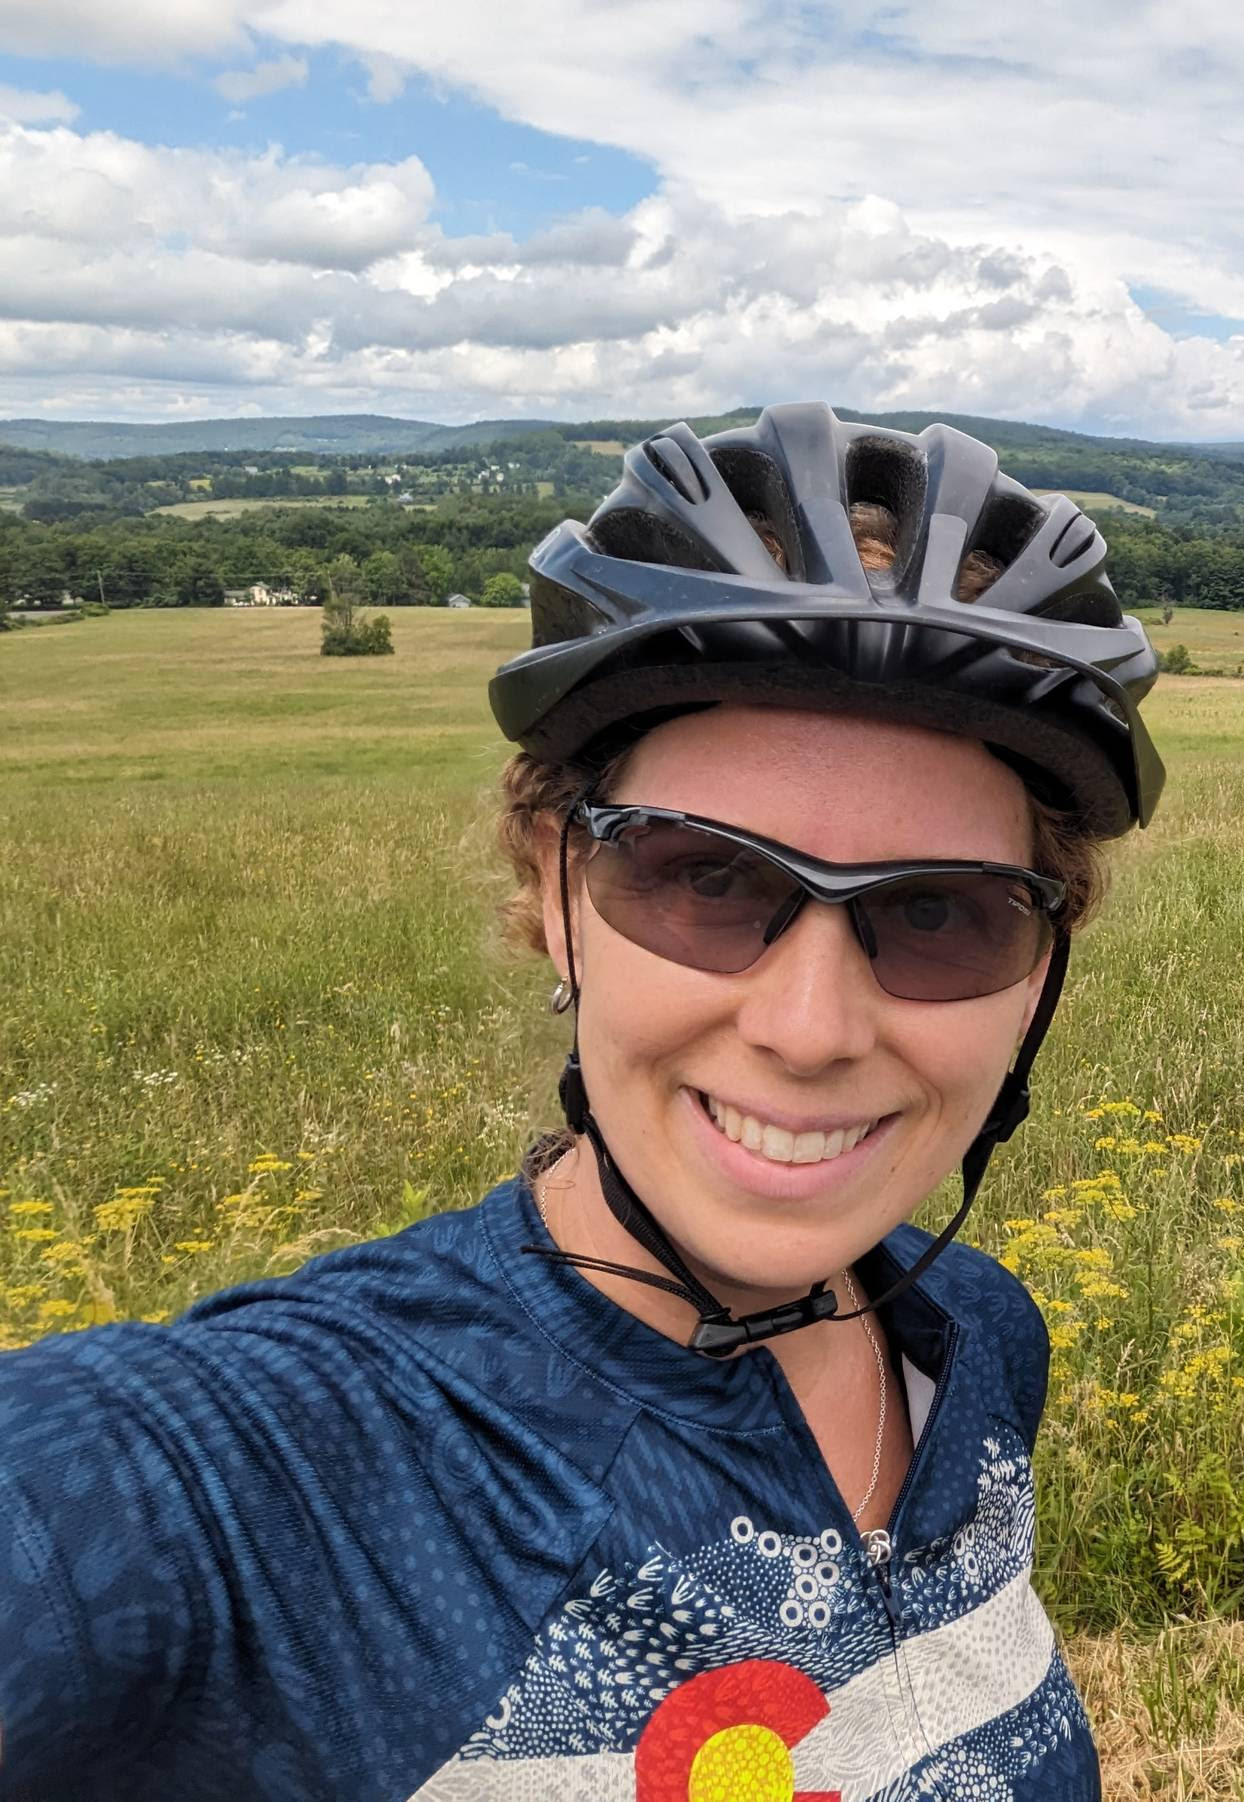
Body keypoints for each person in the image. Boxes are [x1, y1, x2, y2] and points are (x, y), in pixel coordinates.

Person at [0, 403, 1163, 1800]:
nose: (808, 1028)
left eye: (937, 912)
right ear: (555, 895)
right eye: (709, 878)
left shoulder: (976, 1342)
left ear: (1038, 973)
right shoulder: (275, 1469)